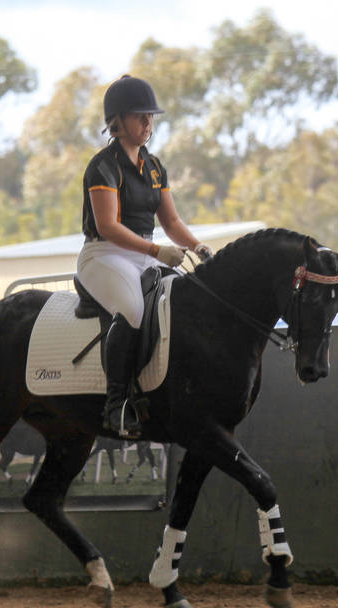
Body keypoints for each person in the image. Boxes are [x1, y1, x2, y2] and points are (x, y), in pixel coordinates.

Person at [77, 75, 212, 438]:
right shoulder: (103, 166)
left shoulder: (154, 167)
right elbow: (107, 226)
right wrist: (157, 251)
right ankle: (116, 405)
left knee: (182, 300)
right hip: (104, 255)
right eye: (141, 116)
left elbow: (170, 220)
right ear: (118, 122)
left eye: (151, 116)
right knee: (133, 309)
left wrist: (199, 247)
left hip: (144, 254)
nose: (148, 123)